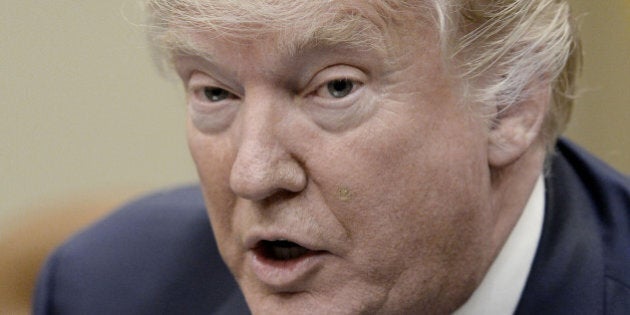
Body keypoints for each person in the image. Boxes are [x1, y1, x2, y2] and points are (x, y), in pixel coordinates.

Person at [33, 1, 629, 314]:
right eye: (215, 92)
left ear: (509, 103)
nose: (254, 174)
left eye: (335, 87)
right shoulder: (104, 289)